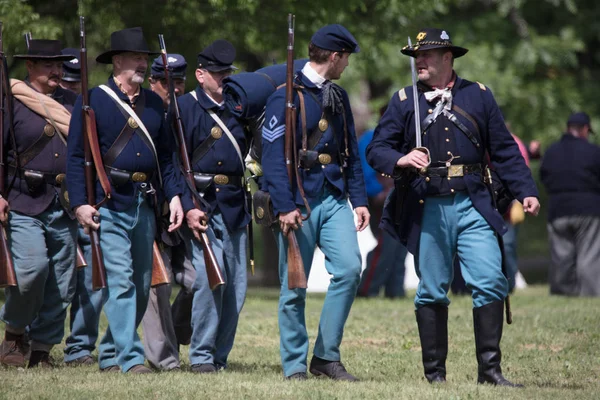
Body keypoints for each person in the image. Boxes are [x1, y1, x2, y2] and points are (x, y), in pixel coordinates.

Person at [366, 28, 540, 386]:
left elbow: (505, 150)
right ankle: (435, 376)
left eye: (427, 56)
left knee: (492, 281)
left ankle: (490, 373)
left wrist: (526, 190)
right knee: (431, 288)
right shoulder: (403, 101)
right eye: (416, 57)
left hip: (473, 203)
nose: (420, 62)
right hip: (427, 205)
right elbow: (377, 149)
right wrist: (401, 158)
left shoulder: (478, 96)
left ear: (448, 58)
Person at [66, 27, 184, 374]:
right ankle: (130, 358)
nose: (142, 65)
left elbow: (167, 158)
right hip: (107, 204)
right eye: (136, 59)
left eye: (145, 60)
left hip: (142, 203)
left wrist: (175, 196)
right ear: (117, 61)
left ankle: (110, 351)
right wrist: (79, 203)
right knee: (120, 281)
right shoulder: (92, 102)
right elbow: (76, 157)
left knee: (143, 282)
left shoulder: (154, 105)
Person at [262, 24, 369, 381]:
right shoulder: (284, 97)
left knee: (351, 269)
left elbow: (349, 152)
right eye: (346, 58)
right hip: (298, 200)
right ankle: (294, 364)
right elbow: (274, 158)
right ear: (335, 56)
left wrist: (359, 199)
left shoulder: (336, 96)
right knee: (295, 285)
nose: (347, 66)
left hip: (334, 196)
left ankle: (326, 356)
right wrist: (283, 205)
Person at [0, 40, 78, 368]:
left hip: (64, 202)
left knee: (62, 280)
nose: (56, 71)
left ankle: (43, 348)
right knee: (32, 270)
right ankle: (15, 334)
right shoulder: (11, 100)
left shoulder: (73, 103)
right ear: (29, 66)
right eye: (48, 65)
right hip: (22, 198)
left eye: (59, 65)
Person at [177, 39, 250, 374]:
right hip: (201, 204)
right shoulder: (183, 109)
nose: (224, 78)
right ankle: (202, 356)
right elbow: (174, 164)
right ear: (200, 74)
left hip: (234, 204)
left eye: (227, 73)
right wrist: (189, 205)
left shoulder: (239, 106)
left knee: (236, 285)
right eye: (218, 73)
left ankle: (220, 356)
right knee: (210, 279)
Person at [141, 53, 197, 371]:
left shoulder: (189, 113)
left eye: (178, 82)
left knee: (197, 281)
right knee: (157, 285)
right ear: (153, 82)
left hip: (183, 211)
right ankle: (164, 357)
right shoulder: (145, 112)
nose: (173, 88)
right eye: (166, 82)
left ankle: (177, 331)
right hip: (151, 208)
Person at [60, 47, 107, 367]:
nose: (73, 86)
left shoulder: (93, 106)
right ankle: (28, 337)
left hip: (88, 199)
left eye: (78, 81)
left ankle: (79, 345)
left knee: (93, 276)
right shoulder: (32, 104)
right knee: (51, 280)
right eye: (68, 80)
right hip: (43, 200)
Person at [540, 112, 600, 296]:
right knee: (588, 255)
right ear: (584, 130)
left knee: (561, 256)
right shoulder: (593, 151)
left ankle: (563, 293)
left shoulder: (551, 151)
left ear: (567, 128)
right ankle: (590, 294)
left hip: (558, 208)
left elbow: (544, 177)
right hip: (588, 209)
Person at [357, 106, 407, 299]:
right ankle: (367, 287)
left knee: (400, 246)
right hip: (380, 200)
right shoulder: (370, 138)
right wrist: (379, 192)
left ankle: (396, 290)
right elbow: (363, 170)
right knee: (385, 245)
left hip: (401, 197)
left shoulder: (404, 140)